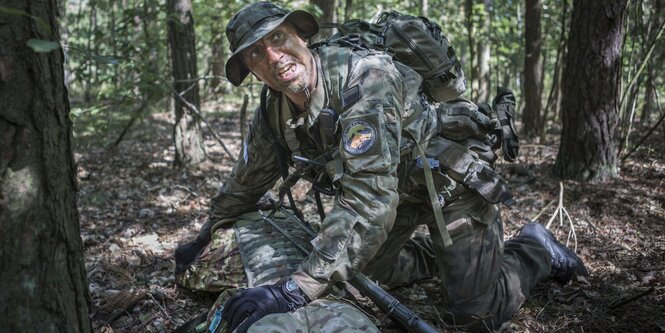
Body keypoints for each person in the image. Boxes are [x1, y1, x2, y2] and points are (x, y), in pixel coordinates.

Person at [175, 2, 588, 332]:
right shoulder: (274, 110)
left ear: (300, 35)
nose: (274, 57)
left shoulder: (365, 79)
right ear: (251, 70)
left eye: (278, 38)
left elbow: (369, 199)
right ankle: (441, 256)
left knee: (476, 315)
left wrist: (295, 289)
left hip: (450, 184)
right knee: (353, 277)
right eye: (255, 54)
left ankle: (536, 247)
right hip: (399, 192)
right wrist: (206, 231)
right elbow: (246, 181)